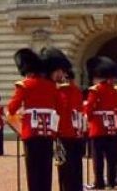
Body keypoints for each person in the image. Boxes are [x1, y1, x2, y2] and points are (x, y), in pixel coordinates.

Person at [6, 48, 60, 191]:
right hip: (48, 131)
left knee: (33, 168)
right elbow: (59, 107)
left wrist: (23, 111)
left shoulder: (25, 85)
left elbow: (11, 108)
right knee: (46, 167)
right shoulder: (51, 86)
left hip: (31, 132)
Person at [42, 47, 85, 191]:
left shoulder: (62, 91)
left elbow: (59, 113)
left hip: (64, 133)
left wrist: (54, 133)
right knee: (76, 166)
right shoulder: (77, 91)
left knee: (65, 167)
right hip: (76, 133)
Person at [85, 57, 117, 190]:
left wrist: (88, 120)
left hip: (98, 128)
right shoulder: (115, 90)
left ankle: (99, 182)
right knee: (111, 157)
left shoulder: (95, 90)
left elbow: (89, 108)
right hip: (111, 127)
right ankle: (111, 181)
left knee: (98, 158)